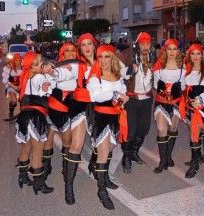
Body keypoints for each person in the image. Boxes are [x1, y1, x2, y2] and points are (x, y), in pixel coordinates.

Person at [87, 44, 129, 210]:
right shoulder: (94, 77)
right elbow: (96, 95)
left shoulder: (117, 75)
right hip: (101, 118)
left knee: (110, 149)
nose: (104, 60)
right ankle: (102, 191)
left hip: (115, 117)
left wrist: (123, 98)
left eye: (107, 56)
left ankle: (103, 178)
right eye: (101, 57)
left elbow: (123, 90)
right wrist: (116, 94)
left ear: (112, 58)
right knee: (104, 154)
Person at [64, 33, 97, 205]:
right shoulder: (76, 65)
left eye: (89, 44)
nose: (86, 47)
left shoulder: (103, 61)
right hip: (80, 105)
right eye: (83, 44)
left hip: (100, 105)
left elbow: (120, 73)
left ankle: (96, 168)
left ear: (94, 45)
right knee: (76, 145)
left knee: (102, 143)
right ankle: (68, 187)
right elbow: (61, 71)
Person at [15, 51, 54, 194]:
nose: (40, 65)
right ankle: (39, 184)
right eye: (36, 64)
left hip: (25, 117)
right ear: (31, 67)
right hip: (36, 118)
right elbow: (43, 84)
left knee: (26, 149)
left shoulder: (26, 78)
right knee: (37, 153)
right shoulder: (39, 76)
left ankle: (22, 176)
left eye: (40, 62)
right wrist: (45, 83)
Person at [43, 43, 78, 182]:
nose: (70, 53)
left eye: (73, 50)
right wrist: (51, 73)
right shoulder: (57, 66)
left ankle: (66, 168)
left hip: (67, 109)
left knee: (67, 141)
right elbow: (52, 79)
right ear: (62, 53)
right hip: (52, 107)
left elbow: (68, 74)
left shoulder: (77, 66)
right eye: (67, 51)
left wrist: (55, 71)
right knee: (47, 139)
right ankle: (46, 167)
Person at [121, 32, 154, 174]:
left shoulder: (153, 58)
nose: (145, 46)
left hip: (147, 99)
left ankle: (134, 153)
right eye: (143, 44)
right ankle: (126, 158)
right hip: (132, 99)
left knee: (143, 129)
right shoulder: (129, 56)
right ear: (138, 45)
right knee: (131, 131)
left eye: (148, 44)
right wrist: (131, 69)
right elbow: (118, 72)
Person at [152, 39, 186, 173]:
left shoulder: (183, 69)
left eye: (174, 49)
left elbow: (183, 87)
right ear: (165, 51)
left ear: (178, 51)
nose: (172, 52)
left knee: (172, 128)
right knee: (161, 129)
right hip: (161, 103)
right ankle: (162, 161)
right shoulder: (158, 69)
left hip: (176, 103)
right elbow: (155, 86)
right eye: (169, 49)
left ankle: (168, 156)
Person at [183, 44, 204, 178]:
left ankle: (196, 163)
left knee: (197, 133)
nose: (195, 57)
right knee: (194, 133)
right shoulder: (186, 70)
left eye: (198, 54)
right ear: (189, 56)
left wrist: (201, 100)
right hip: (189, 108)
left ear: (202, 56)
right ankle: (197, 158)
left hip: (203, 108)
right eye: (193, 54)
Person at [2, 53, 22, 118]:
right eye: (16, 60)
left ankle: (23, 113)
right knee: (14, 101)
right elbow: (5, 80)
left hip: (21, 86)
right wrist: (14, 87)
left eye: (19, 60)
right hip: (11, 86)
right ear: (14, 60)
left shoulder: (23, 67)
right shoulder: (9, 68)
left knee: (23, 100)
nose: (18, 62)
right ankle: (11, 112)